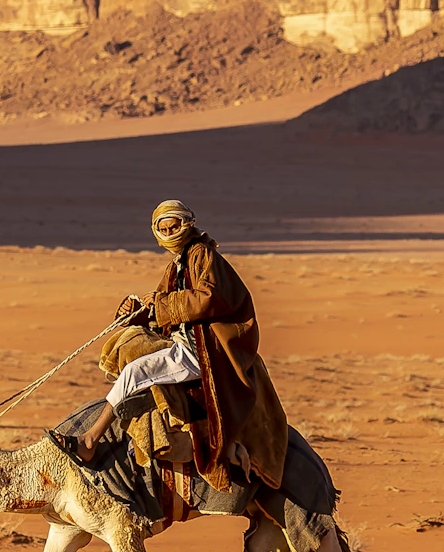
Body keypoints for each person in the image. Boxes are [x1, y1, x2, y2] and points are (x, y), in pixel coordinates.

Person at [75, 200, 287, 492]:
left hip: (204, 352)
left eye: (174, 226)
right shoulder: (178, 263)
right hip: (183, 342)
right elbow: (161, 314)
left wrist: (160, 303)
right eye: (163, 228)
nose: (169, 232)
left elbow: (207, 299)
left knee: (135, 372)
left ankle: (90, 439)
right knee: (132, 347)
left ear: (187, 224)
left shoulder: (203, 256)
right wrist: (134, 311)